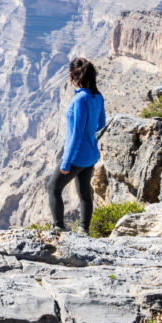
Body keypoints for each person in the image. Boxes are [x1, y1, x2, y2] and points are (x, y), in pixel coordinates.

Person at [47, 57, 106, 234]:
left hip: (77, 156)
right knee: (85, 193)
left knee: (53, 187)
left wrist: (66, 163)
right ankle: (83, 229)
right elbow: (101, 123)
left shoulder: (80, 99)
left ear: (72, 75)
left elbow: (76, 135)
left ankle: (58, 227)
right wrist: (90, 131)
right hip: (91, 154)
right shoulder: (97, 96)